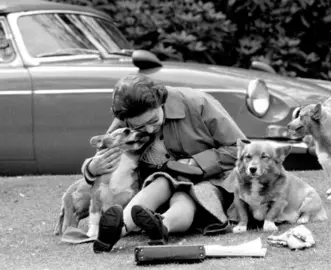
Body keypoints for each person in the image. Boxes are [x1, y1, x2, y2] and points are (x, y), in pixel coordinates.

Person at [81, 74, 246, 253]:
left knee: (187, 196)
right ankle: (116, 231)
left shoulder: (198, 103)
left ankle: (162, 224)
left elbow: (241, 149)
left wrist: (196, 162)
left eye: (153, 121)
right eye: (140, 127)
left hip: (209, 180)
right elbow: (105, 153)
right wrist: (91, 168)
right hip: (159, 183)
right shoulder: (129, 116)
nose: (150, 130)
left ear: (161, 101)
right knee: (161, 181)